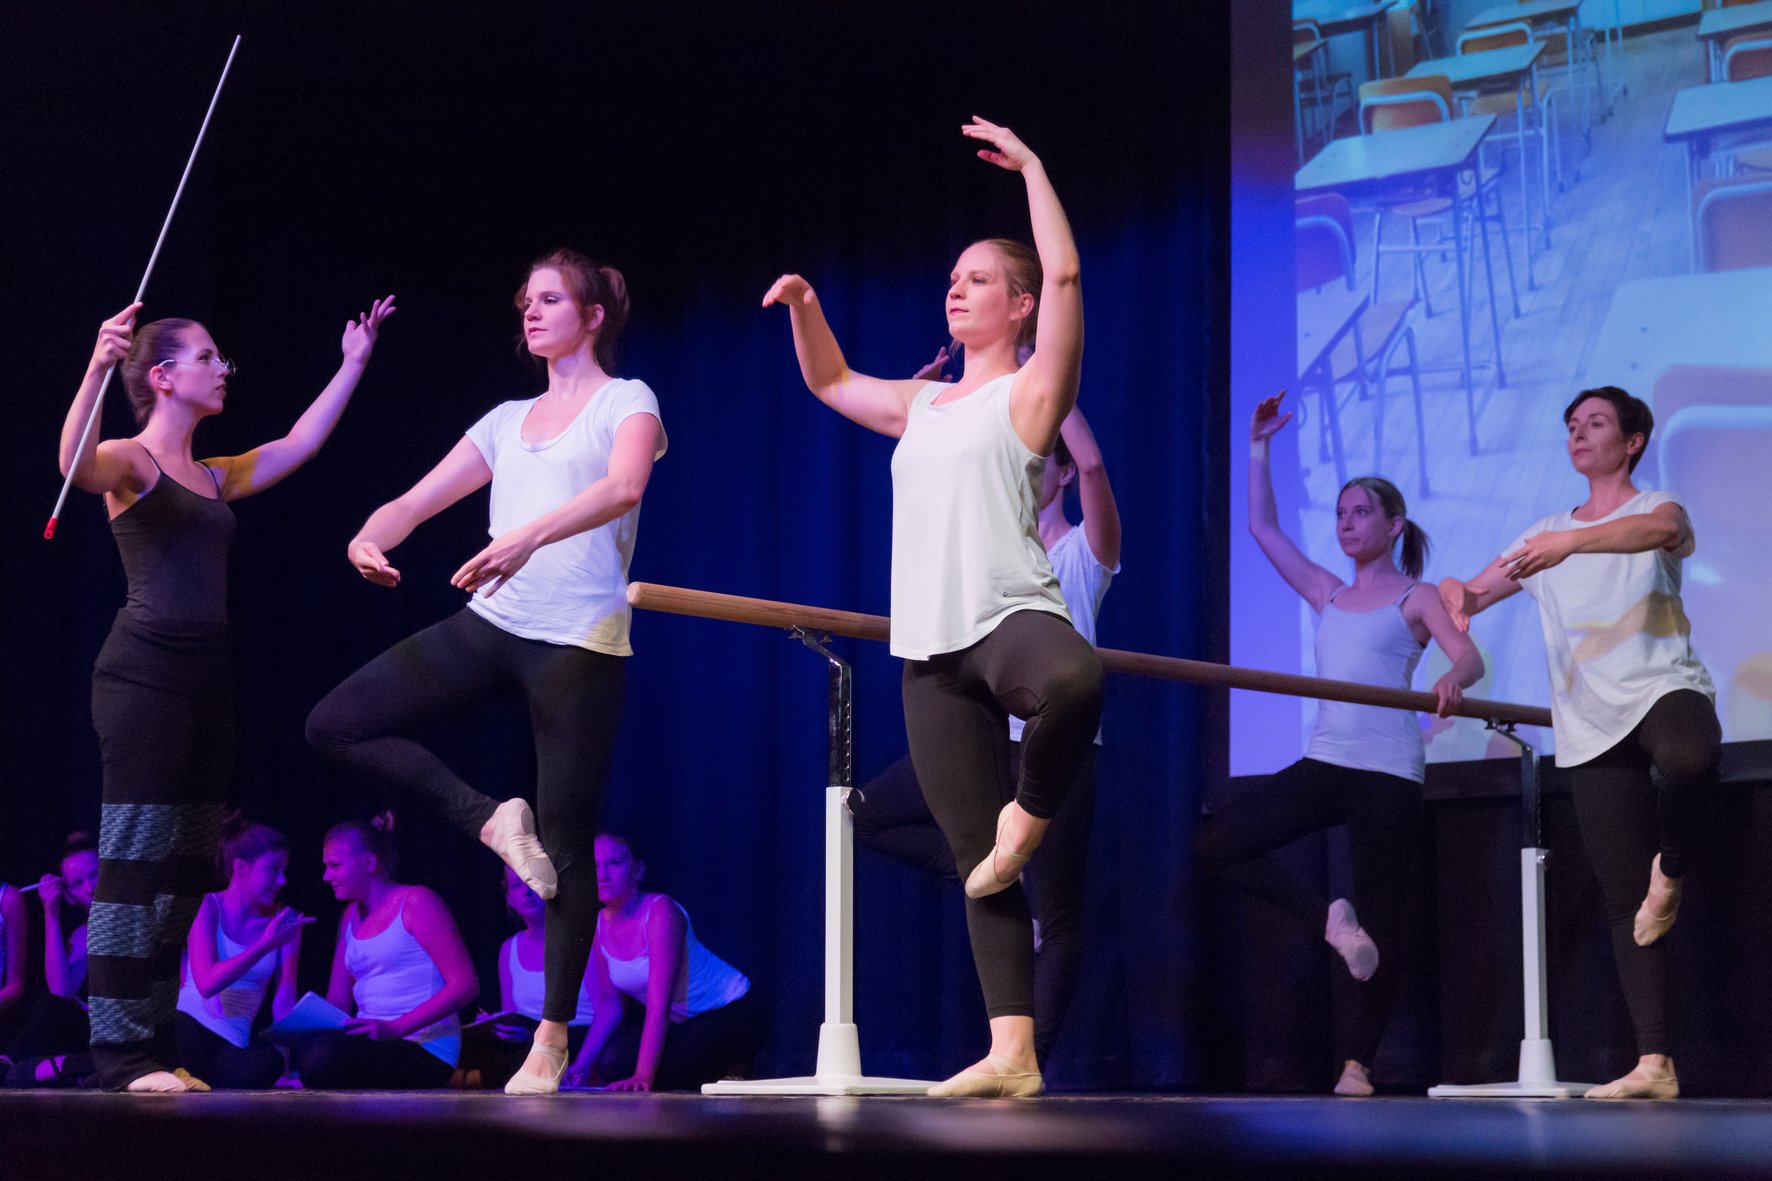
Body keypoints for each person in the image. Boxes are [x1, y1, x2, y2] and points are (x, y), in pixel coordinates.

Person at [763, 117, 1102, 1098]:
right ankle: (1013, 1052)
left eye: (979, 279)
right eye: (951, 278)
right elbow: (829, 379)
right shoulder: (920, 404)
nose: (956, 288)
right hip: (929, 646)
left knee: (1075, 680)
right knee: (975, 859)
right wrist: (806, 303)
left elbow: (1067, 275)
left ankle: (1030, 814)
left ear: (1020, 304)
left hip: (1008, 615)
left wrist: (1033, 166)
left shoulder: (1030, 392)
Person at [307, 248, 664, 1096]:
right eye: (526, 300)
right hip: (492, 622)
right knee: (334, 723)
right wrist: (369, 535)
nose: (530, 312)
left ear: (593, 315)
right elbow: (415, 500)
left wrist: (525, 536)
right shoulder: (506, 419)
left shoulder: (627, 400)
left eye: (550, 299)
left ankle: (552, 1037)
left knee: (568, 843)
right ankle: (490, 819)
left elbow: (624, 485)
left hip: (579, 642)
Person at [56, 294, 394, 1092]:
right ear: (163, 376)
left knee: (184, 874)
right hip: (143, 678)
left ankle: (153, 1043)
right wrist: (97, 367)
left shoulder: (211, 475)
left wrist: (353, 363)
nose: (222, 369)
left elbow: (299, 443)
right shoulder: (130, 461)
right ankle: (119, 1057)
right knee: (135, 864)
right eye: (207, 357)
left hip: (207, 684)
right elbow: (73, 465)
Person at [1194, 391, 1483, 1098]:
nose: (1347, 523)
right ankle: (1326, 916)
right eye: (1341, 513)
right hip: (1327, 761)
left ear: (1393, 524)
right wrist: (1258, 445)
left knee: (1384, 924)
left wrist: (1453, 677)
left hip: (1388, 773)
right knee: (1214, 844)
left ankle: (1358, 1065)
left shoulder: (1415, 596)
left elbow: (1470, 656)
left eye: (1361, 513)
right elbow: (1263, 528)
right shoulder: (1327, 592)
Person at [1439, 386, 1718, 1101]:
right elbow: (1477, 593)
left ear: (1632, 441)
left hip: (1662, 688)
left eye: (1595, 423)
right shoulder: (1543, 534)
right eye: (1571, 425)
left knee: (1689, 758)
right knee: (1625, 897)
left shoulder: (1658, 506)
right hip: (1589, 722)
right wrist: (1458, 596)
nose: (1578, 433)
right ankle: (1655, 1063)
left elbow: (1657, 532)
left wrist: (1571, 542)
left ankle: (1673, 866)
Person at [851, 373, 1120, 1066]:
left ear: (1058, 472)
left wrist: (1044, 380)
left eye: (1036, 456)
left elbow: (1093, 465)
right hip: (986, 738)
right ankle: (997, 867)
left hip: (1056, 746)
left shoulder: (1081, 552)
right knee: (865, 815)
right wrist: (927, 409)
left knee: (1058, 915)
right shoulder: (986, 547)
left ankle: (1035, 1056)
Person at [563, 835, 761, 1092]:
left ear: (638, 870)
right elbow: (610, 1005)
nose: (602, 875)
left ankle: (736, 1066)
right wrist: (580, 1065)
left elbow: (659, 1004)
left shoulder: (660, 911)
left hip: (731, 1010)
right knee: (612, 1063)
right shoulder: (599, 924)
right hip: (683, 1023)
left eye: (614, 863)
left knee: (667, 1073)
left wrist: (643, 1076)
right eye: (594, 866)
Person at [293, 815, 477, 1090]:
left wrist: (395, 1028)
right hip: (374, 1043)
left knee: (321, 1057)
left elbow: (465, 985)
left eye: (335, 866)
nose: (326, 876)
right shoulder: (349, 917)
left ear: (368, 862)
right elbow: (338, 1002)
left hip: (423, 1046)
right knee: (313, 1052)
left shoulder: (417, 902)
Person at [174, 815, 310, 1088]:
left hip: (232, 1044)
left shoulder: (285, 921)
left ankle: (188, 1080)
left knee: (268, 1062)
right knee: (176, 1036)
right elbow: (207, 983)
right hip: (189, 1026)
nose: (282, 880)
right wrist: (264, 945)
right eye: (273, 870)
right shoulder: (208, 906)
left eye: (283, 870)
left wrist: (284, 1069)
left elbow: (284, 998)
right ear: (241, 868)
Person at [2, 834, 100, 1087]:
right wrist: (51, 913)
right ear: (69, 896)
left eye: (95, 874)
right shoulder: (83, 934)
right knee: (49, 1007)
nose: (90, 887)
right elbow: (60, 993)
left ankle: (30, 1066)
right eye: (77, 883)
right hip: (94, 1034)